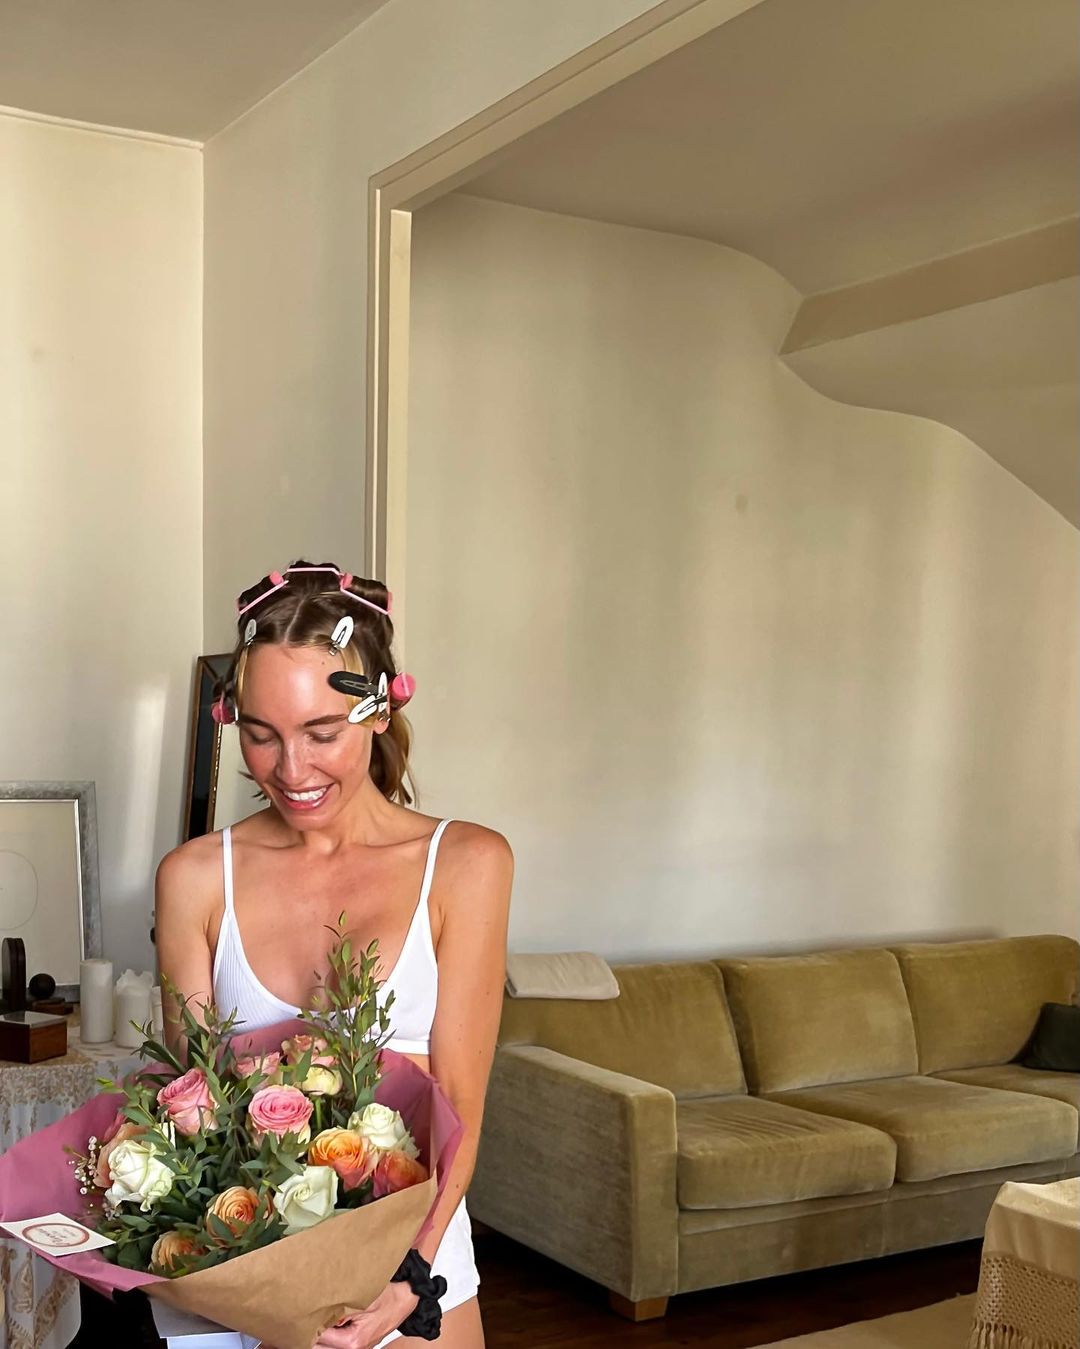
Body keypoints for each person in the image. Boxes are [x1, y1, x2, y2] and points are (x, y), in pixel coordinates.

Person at [155, 561, 513, 1349]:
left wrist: (407, 1281)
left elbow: (460, 1105)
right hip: (238, 1275)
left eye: (322, 733)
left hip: (411, 1266)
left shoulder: (465, 865)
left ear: (381, 709)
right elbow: (194, 1114)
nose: (291, 770)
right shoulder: (194, 879)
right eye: (261, 734)